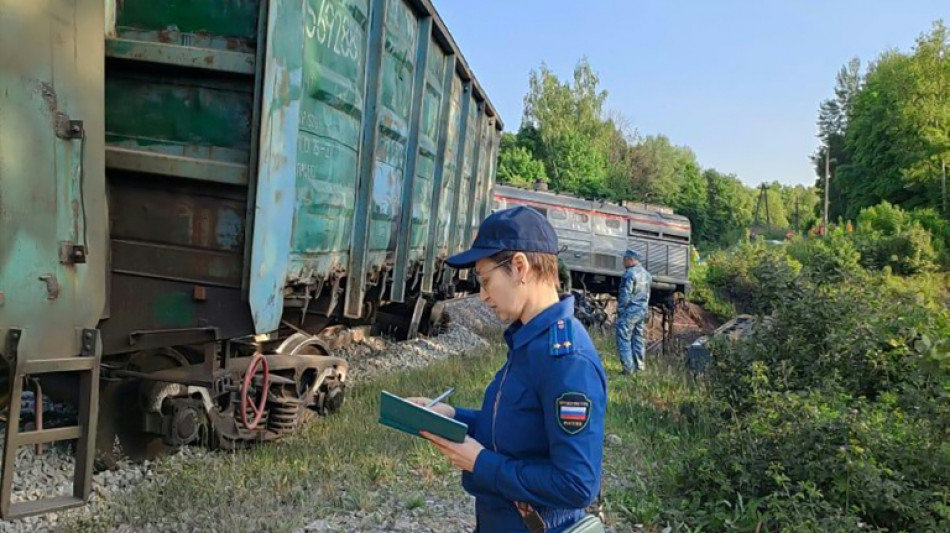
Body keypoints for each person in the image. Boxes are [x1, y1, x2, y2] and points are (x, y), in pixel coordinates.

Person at [408, 205, 607, 533]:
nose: (483, 296)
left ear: (519, 267)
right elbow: (517, 427)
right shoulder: (531, 342)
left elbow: (577, 484)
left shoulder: (567, 360)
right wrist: (451, 416)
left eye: (486, 281)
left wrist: (480, 463)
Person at [615, 249, 652, 375]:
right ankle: (640, 367)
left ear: (630, 260)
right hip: (641, 311)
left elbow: (625, 295)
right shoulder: (647, 275)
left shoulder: (629, 274)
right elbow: (647, 295)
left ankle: (628, 368)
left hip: (629, 311)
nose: (623, 262)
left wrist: (620, 310)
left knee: (624, 339)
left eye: (624, 259)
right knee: (638, 339)